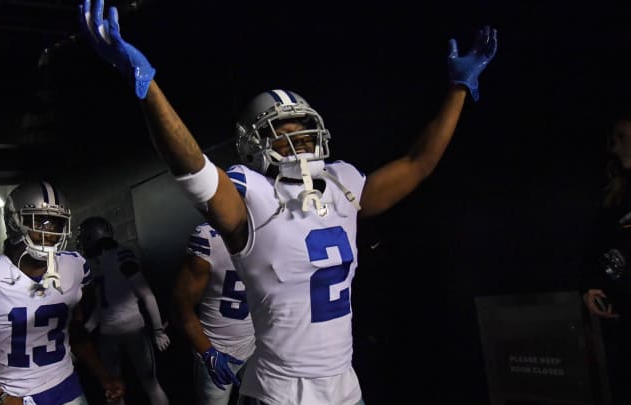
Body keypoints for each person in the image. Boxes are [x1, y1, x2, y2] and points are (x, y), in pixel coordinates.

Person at [79, 1, 497, 402]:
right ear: (254, 146)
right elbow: (191, 167)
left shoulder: (342, 184)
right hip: (281, 394)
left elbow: (418, 162)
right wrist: (148, 86)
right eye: (284, 132)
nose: (300, 141)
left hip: (344, 387)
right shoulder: (250, 196)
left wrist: (459, 88)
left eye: (304, 130)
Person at [0, 181, 125, 405]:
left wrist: (103, 375)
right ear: (15, 222)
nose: (51, 233)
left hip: (67, 389)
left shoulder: (74, 266)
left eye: (57, 223)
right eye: (41, 221)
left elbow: (76, 333)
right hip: (15, 395)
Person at [76, 216, 171, 405]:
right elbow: (102, 307)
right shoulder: (98, 264)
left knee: (148, 384)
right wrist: (83, 333)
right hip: (110, 334)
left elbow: (146, 294)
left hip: (131, 331)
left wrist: (158, 330)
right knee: (115, 388)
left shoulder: (119, 256)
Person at [172, 222, 255, 404]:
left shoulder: (269, 226)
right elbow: (182, 303)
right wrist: (207, 351)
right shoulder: (209, 237)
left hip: (256, 345)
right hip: (218, 348)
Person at [582, 112, 631, 404]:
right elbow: (595, 248)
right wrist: (590, 285)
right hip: (620, 318)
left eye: (622, 138)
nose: (614, 147)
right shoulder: (614, 193)